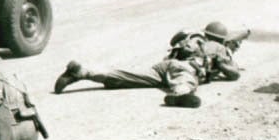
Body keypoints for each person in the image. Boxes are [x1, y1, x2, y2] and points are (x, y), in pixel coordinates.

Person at [52, 31, 208, 108]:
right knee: (187, 79)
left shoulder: (184, 39)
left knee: (127, 77)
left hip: (162, 68)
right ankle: (180, 94)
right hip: (183, 67)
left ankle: (83, 72)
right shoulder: (203, 41)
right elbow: (233, 72)